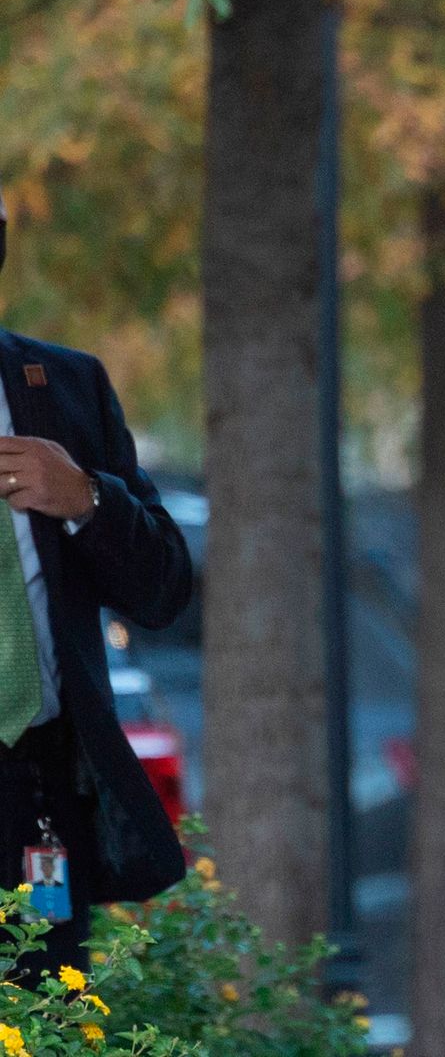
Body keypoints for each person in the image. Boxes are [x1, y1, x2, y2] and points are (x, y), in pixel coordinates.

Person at [0, 184, 195, 980]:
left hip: (38, 797)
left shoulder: (65, 388)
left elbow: (164, 590)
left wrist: (87, 499)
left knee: (44, 1023)